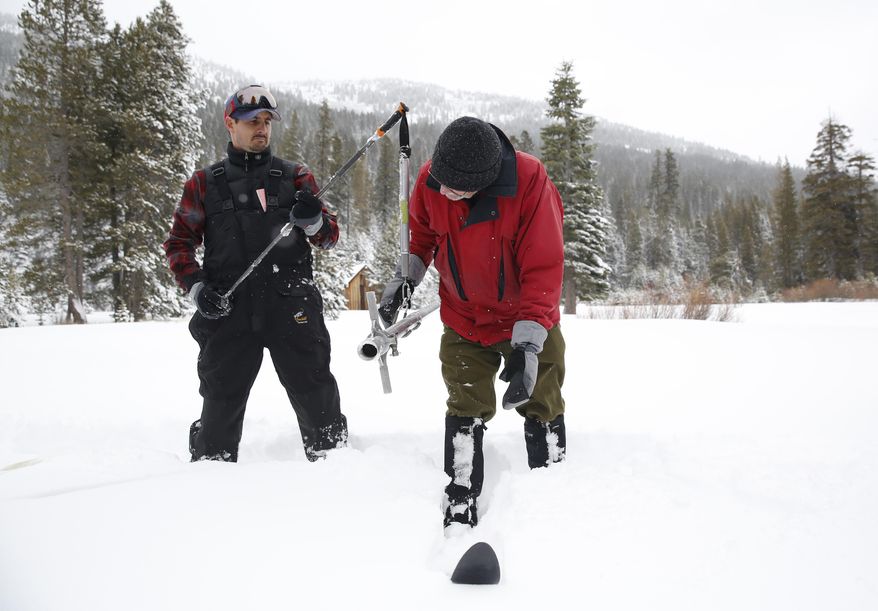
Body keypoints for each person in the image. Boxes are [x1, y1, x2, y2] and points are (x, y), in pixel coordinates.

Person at [378, 116, 567, 532]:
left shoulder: (531, 182)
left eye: (455, 189)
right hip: (464, 319)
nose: (443, 192)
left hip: (527, 317)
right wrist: (405, 278)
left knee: (542, 400)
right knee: (465, 406)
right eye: (440, 182)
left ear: (484, 181)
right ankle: (462, 494)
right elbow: (421, 238)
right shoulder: (432, 179)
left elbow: (545, 266)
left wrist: (529, 345)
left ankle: (551, 483)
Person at [163, 85, 348, 463]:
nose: (261, 128)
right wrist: (198, 290)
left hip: (292, 310)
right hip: (228, 312)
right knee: (217, 422)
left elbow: (329, 236)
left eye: (266, 121)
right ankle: (209, 487)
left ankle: (337, 479)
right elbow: (178, 245)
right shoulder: (204, 183)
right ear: (230, 124)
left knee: (319, 406)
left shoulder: (296, 177)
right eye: (252, 121)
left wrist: (313, 222)